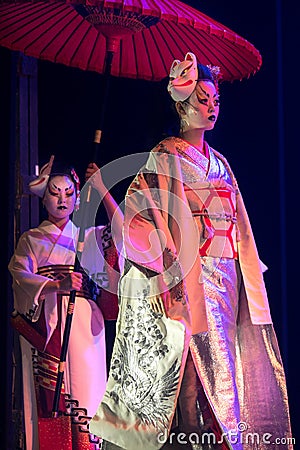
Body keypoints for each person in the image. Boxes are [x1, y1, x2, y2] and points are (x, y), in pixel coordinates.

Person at [89, 52, 293, 450]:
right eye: (202, 99)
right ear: (181, 105)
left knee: (223, 368)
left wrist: (245, 273)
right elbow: (142, 216)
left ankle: (215, 441)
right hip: (188, 275)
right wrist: (167, 270)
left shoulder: (221, 163)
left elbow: (241, 228)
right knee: (184, 370)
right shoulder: (165, 155)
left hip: (226, 277)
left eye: (216, 101)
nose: (211, 107)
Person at [8, 156, 122, 450]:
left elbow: (122, 231)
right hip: (48, 322)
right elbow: (20, 277)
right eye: (55, 193)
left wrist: (102, 188)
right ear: (44, 198)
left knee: (87, 397)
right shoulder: (31, 239)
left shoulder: (88, 237)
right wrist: (58, 285)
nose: (62, 200)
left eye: (69, 193)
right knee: (51, 399)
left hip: (84, 322)